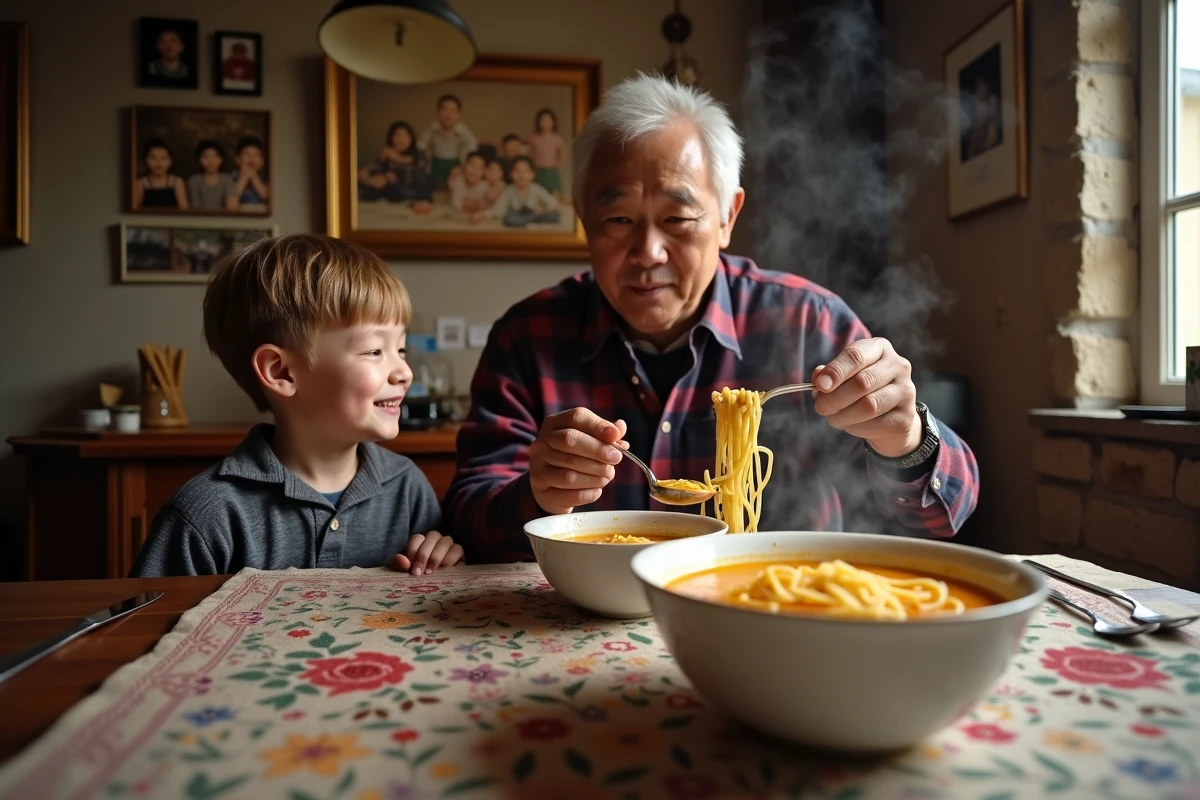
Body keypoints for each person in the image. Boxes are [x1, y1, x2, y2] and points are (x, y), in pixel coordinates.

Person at [444, 75, 979, 563]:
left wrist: (905, 438)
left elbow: (944, 513)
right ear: (584, 218)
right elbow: (467, 516)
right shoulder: (527, 336)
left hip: (774, 612)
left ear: (727, 216)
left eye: (677, 218)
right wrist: (535, 494)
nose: (648, 251)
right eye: (618, 219)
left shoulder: (807, 323)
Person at [131, 234, 465, 577]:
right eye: (375, 351)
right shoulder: (206, 514)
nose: (405, 372)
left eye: (402, 349)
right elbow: (147, 624)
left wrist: (444, 562)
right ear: (281, 372)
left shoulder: (407, 488)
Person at [471, 156, 559, 227]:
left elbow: (553, 202)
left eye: (526, 171)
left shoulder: (536, 188)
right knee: (509, 218)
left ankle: (528, 221)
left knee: (554, 215)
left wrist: (543, 209)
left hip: (534, 214)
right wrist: (483, 214)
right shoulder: (509, 190)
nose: (521, 175)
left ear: (532, 174)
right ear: (511, 174)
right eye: (517, 171)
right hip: (516, 215)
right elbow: (498, 210)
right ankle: (527, 222)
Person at [358, 121, 432, 205]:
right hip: (390, 193)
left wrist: (396, 158)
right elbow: (375, 170)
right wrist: (378, 177)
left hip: (413, 193)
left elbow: (420, 177)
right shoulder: (386, 153)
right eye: (397, 136)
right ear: (391, 138)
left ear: (411, 138)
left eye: (405, 136)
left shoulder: (419, 154)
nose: (401, 140)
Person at [417, 95, 477, 191]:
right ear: (438, 112)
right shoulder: (432, 128)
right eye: (445, 109)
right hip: (436, 165)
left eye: (453, 111)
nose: (449, 114)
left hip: (456, 166)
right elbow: (420, 145)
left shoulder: (462, 130)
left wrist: (463, 167)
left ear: (459, 114)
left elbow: (473, 149)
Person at [133, 139, 188, 210]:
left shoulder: (177, 182)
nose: (159, 162)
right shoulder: (140, 183)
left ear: (170, 161)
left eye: (164, 158)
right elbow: (134, 210)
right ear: (145, 160)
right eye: (153, 158)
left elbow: (184, 209)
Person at [525, 108, 565, 199]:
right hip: (537, 169)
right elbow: (523, 147)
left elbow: (562, 153)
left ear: (553, 122)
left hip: (551, 170)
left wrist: (558, 165)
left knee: (554, 193)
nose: (545, 123)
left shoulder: (557, 138)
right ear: (538, 122)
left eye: (548, 120)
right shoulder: (533, 138)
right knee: (535, 193)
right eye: (542, 120)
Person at [187, 140, 235, 211]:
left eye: (215, 156)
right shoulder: (194, 180)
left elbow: (232, 208)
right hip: (199, 220)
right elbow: (195, 209)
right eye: (206, 157)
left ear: (221, 159)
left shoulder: (227, 179)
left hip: (223, 220)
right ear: (199, 159)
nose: (211, 161)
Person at [228, 136, 269, 211]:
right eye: (247, 154)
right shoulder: (230, 178)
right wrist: (244, 177)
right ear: (238, 159)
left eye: (256, 155)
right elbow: (231, 201)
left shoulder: (266, 178)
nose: (252, 158)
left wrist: (254, 177)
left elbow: (267, 197)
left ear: (262, 161)